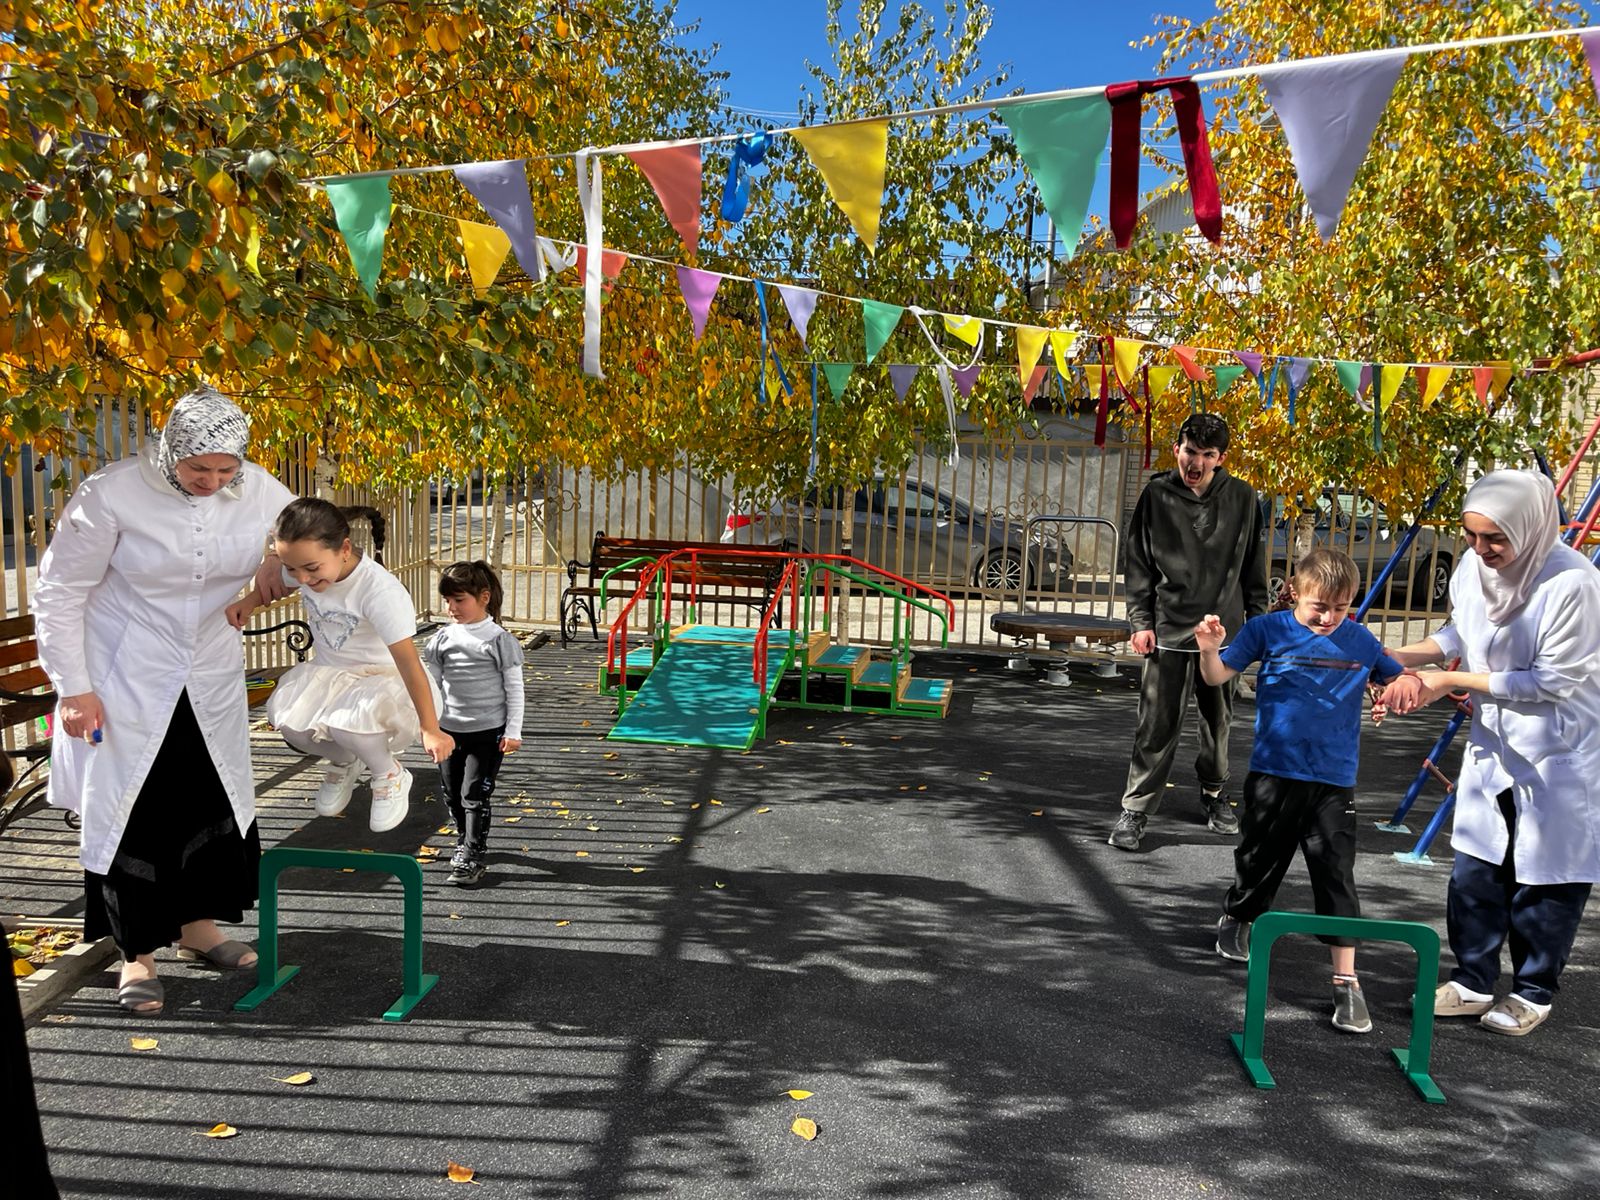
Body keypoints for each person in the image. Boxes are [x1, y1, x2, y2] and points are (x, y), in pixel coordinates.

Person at [34, 386, 296, 1013]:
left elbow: (314, 542)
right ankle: (137, 955)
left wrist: (273, 576)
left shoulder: (259, 488)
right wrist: (73, 688)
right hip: (126, 673)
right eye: (197, 467)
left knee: (207, 798)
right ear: (168, 453)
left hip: (208, 670)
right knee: (136, 810)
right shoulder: (111, 492)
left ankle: (198, 931)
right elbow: (60, 591)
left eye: (225, 469)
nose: (212, 480)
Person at [1386, 470, 1600, 1037]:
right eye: (1471, 536)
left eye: (1494, 539)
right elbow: (1458, 635)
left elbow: (1548, 683)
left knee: (1545, 877)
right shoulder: (1473, 569)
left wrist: (1448, 681)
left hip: (1558, 751)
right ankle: (1474, 980)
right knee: (1476, 869)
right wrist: (1393, 657)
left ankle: (1533, 991)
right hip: (1496, 747)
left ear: (1529, 529)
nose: (1481, 550)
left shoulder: (1571, 584)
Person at [1195, 549, 1420, 1033]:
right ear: (1296, 592)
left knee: (1336, 873)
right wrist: (1209, 647)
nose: (1329, 617)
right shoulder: (1266, 630)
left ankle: (1346, 980)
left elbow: (1394, 678)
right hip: (1275, 773)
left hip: (1334, 781)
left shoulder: (1358, 639)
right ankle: (1240, 913)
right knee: (1259, 858)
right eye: (1320, 606)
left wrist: (1394, 692)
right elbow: (1215, 676)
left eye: (1341, 608)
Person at [229, 499, 453, 831]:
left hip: (384, 682)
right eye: (292, 569)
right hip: (332, 676)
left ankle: (389, 773)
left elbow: (409, 665)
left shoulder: (379, 593)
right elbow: (276, 586)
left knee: (347, 722)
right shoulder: (307, 565)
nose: (302, 578)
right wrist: (249, 602)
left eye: (311, 569)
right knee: (291, 724)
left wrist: (430, 728)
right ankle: (345, 761)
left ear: (344, 549)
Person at [1109, 413, 1271, 851]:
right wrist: (1140, 622)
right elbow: (1138, 563)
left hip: (1223, 634)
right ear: (1177, 449)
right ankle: (1136, 809)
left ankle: (1215, 795)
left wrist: (1259, 629)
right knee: (1157, 724)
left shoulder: (1241, 497)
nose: (1195, 462)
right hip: (1167, 629)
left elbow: (1255, 567)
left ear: (1220, 459)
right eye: (1189, 452)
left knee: (1217, 722)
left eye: (1207, 455)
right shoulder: (1156, 495)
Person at [421, 562, 526, 887]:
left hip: (488, 733)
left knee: (474, 795)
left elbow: (514, 688)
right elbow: (430, 686)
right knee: (452, 794)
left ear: (484, 597)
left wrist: (513, 731)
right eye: (448, 601)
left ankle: (472, 854)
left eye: (459, 600)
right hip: (448, 733)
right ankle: (465, 840)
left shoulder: (498, 640)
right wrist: (427, 727)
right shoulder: (442, 639)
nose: (452, 608)